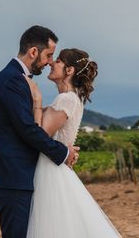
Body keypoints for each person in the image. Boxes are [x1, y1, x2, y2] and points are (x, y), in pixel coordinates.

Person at [0, 26, 80, 238]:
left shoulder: (17, 78)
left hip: (18, 174)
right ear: (34, 52)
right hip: (12, 174)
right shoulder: (12, 79)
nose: (49, 62)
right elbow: (27, 129)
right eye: (48, 55)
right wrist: (63, 153)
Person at [25, 48, 121, 237]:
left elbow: (39, 135)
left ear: (69, 71)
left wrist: (36, 100)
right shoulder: (70, 99)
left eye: (58, 61)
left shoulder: (66, 99)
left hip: (50, 171)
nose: (52, 63)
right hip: (54, 167)